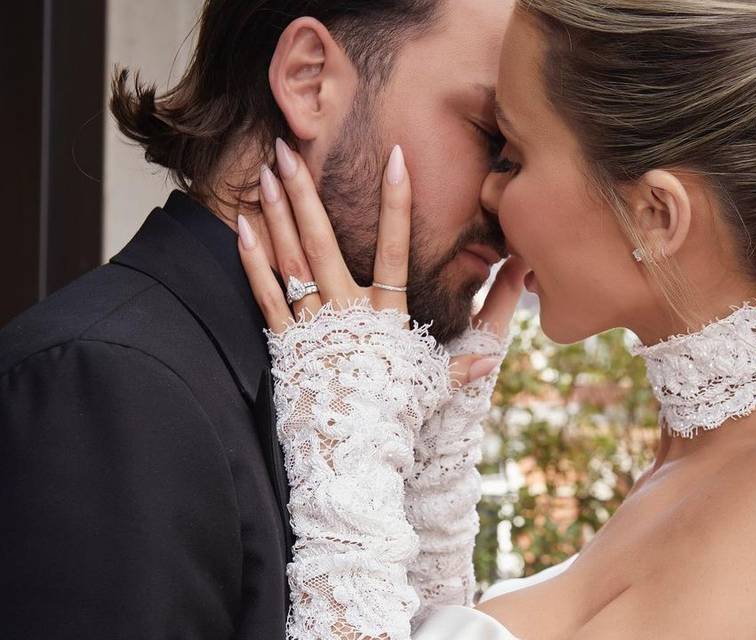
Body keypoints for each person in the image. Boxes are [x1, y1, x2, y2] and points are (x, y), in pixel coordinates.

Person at [240, 0, 756, 638]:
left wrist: (348, 462)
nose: (491, 193)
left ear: (657, 214)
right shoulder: (699, 456)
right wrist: (425, 492)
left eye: (514, 154)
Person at [0, 1, 521, 638]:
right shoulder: (110, 384)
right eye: (491, 135)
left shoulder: (346, 397)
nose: (506, 199)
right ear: (308, 81)